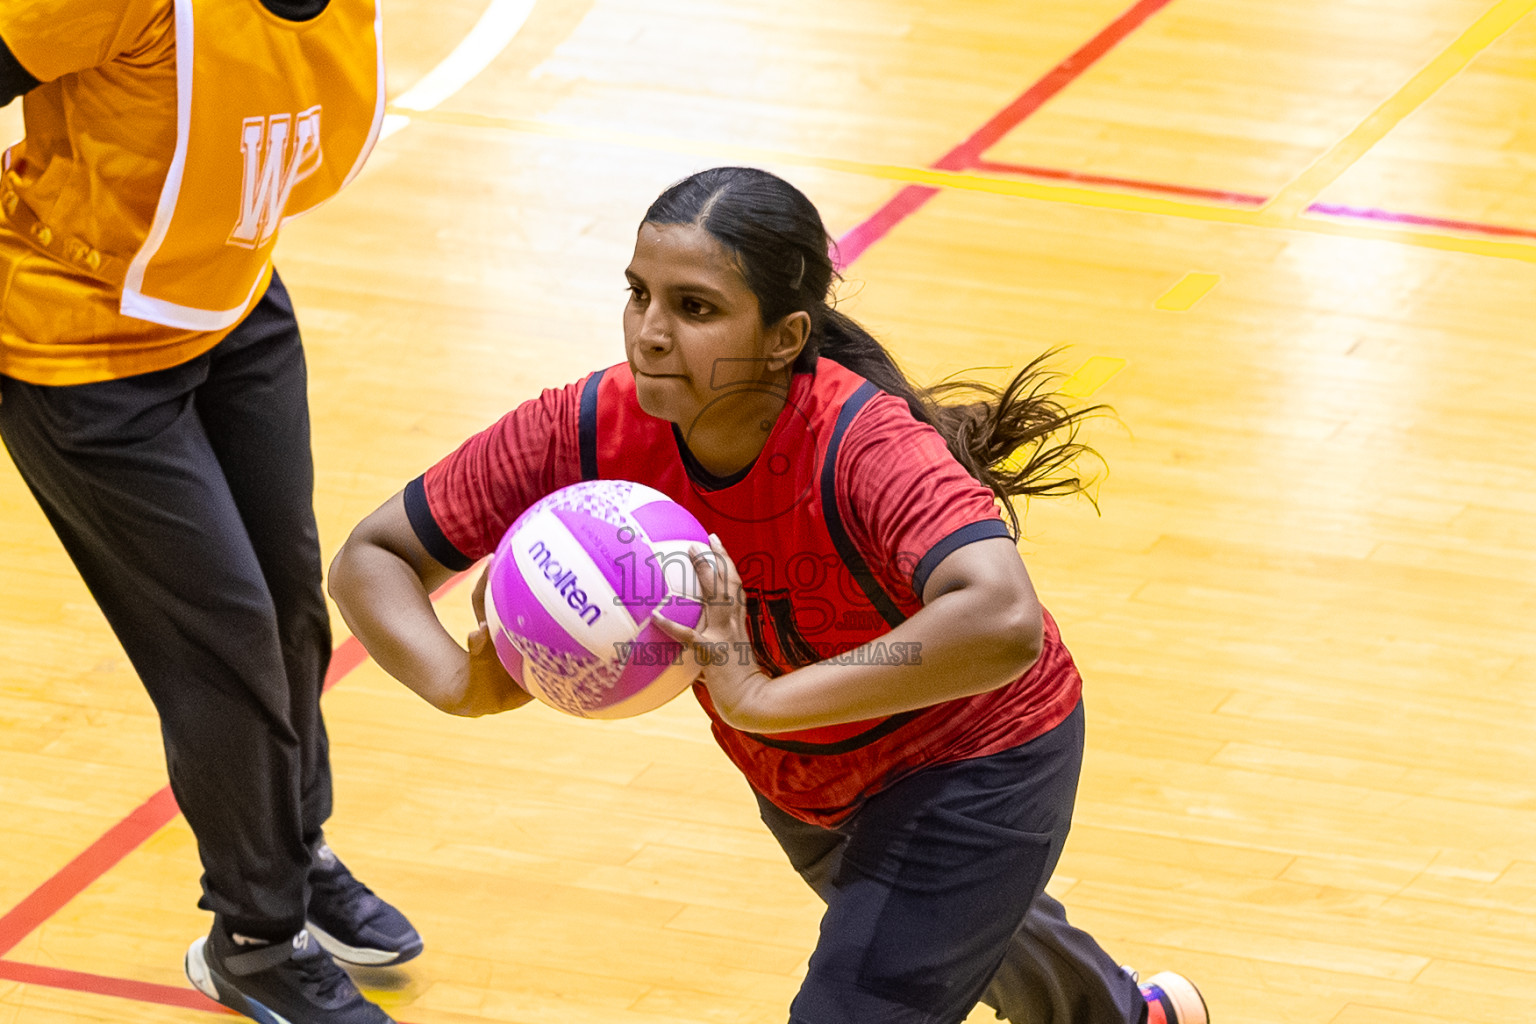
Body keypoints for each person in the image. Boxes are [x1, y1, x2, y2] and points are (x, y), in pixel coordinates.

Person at [328, 165, 1210, 1024]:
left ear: (786, 336)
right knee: (969, 937)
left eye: (695, 307)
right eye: (639, 294)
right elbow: (374, 554)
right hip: (803, 772)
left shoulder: (859, 443)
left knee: (867, 992)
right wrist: (459, 683)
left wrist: (761, 695)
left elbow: (1003, 618)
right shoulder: (589, 425)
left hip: (975, 754)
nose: (651, 333)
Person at [0, 2, 419, 1022]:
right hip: (82, 354)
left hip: (232, 306)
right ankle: (254, 937)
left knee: (287, 604)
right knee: (223, 639)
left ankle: (290, 845)